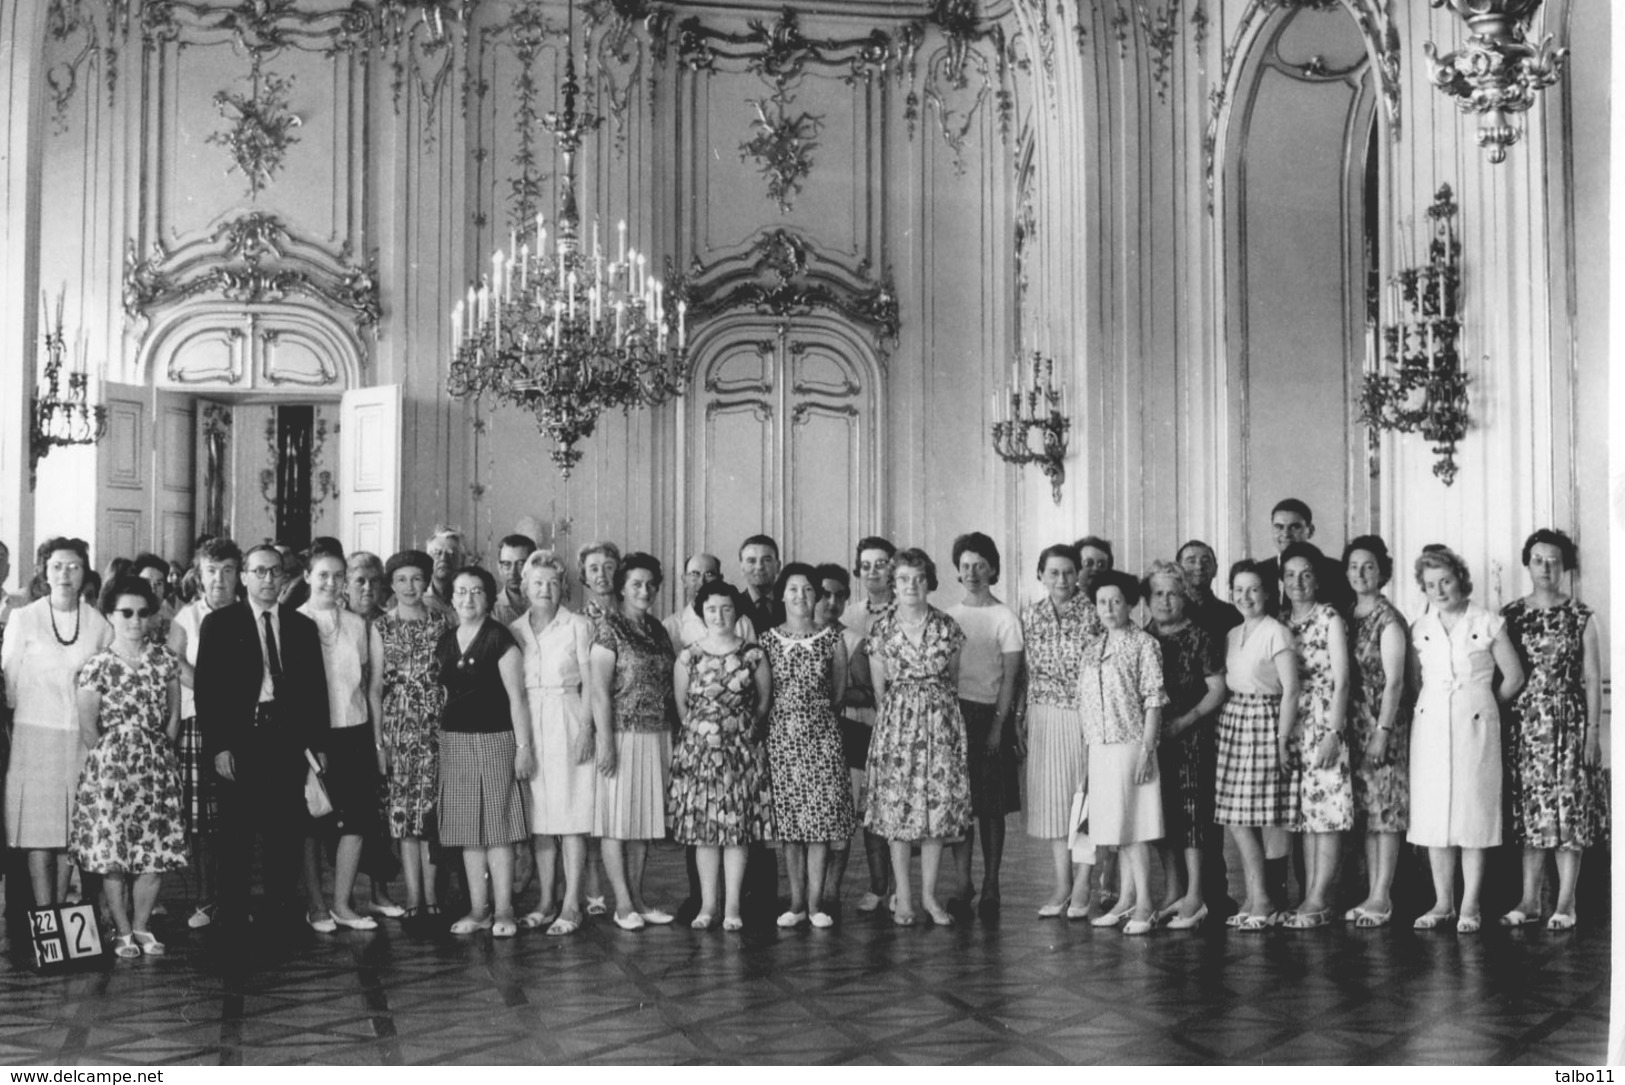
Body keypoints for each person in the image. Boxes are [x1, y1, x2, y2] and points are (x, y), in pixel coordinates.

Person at [195, 543, 330, 931]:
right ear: (244, 577)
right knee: (236, 831)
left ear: (284, 577)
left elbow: (316, 690)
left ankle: (279, 910)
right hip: (241, 739)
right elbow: (207, 692)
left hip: (287, 739)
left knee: (284, 830)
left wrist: (317, 746)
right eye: (259, 572)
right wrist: (219, 746)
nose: (268, 579)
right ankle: (234, 911)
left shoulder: (302, 626)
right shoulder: (220, 624)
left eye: (274, 572)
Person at [1408, 545, 1524, 933]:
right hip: (1431, 723)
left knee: (1473, 811)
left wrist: (1487, 704)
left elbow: (1514, 677)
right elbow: (1414, 681)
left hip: (1476, 723)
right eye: (1430, 584)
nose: (1439, 590)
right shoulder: (1421, 628)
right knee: (1434, 814)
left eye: (1445, 581)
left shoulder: (1488, 622)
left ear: (1460, 579)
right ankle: (1443, 903)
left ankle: (1470, 904)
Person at [70, 575, 187, 958]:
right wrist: (115, 756)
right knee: (115, 855)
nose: (136, 620)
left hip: (156, 766)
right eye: (126, 613)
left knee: (154, 852)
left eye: (143, 612)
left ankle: (142, 926)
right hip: (111, 770)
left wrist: (157, 751)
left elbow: (173, 716)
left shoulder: (165, 660)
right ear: (110, 614)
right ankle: (121, 931)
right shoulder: (97, 666)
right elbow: (89, 727)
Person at [1500, 529, 1605, 931]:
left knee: (1568, 812)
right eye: (1539, 559)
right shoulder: (1510, 614)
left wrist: (1592, 733)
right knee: (1531, 814)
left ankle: (1566, 902)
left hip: (1568, 723)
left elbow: (1592, 679)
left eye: (1554, 560)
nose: (1546, 567)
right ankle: (1529, 901)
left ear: (1565, 566)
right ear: (1527, 563)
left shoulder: (1581, 615)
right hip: (1526, 727)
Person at [2, 537, 113, 906]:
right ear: (44, 573)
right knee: (38, 828)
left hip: (80, 736)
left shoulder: (98, 624)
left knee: (70, 827)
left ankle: (64, 911)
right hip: (34, 734)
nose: (65, 574)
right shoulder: (24, 617)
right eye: (57, 566)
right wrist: (23, 714)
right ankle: (44, 912)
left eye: (74, 566)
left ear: (85, 573)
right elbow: (10, 676)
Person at [865, 548, 971, 926]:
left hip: (940, 728)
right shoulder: (881, 630)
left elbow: (952, 681)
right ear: (893, 584)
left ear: (930, 582)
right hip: (897, 729)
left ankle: (928, 896)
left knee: (935, 813)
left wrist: (933, 715)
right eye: (904, 579)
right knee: (898, 813)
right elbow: (881, 691)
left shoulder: (947, 627)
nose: (912, 585)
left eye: (919, 578)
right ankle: (904, 897)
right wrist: (905, 717)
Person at [435, 566, 533, 937]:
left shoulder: (499, 638)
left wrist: (523, 748)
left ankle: (504, 911)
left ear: (488, 598)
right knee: (467, 832)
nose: (468, 598)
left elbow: (517, 699)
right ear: (452, 598)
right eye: (461, 592)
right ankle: (479, 910)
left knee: (498, 830)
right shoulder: (446, 641)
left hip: (496, 740)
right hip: (455, 740)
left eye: (476, 591)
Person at [670, 580, 773, 931]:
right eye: (712, 609)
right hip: (699, 753)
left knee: (736, 831)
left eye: (726, 608)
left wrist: (735, 730)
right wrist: (706, 732)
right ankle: (708, 905)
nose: (719, 615)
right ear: (702, 613)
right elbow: (682, 706)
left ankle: (732, 907)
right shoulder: (689, 655)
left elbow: (762, 704)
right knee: (705, 832)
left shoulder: (753, 654)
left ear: (736, 612)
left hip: (741, 752)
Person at [762, 563, 855, 928]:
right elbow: (765, 694)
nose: (801, 596)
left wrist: (813, 719)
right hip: (782, 739)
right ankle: (796, 902)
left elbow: (837, 693)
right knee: (791, 827)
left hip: (822, 739)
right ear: (782, 594)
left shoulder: (833, 640)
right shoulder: (767, 640)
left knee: (819, 825)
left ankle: (816, 904)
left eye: (808, 590)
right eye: (793, 589)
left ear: (816, 596)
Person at [589, 552, 679, 930]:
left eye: (650, 584)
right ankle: (622, 903)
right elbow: (598, 690)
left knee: (643, 822)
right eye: (636, 584)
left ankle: (639, 898)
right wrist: (606, 741)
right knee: (615, 822)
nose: (644, 590)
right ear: (622, 588)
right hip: (622, 734)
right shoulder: (609, 628)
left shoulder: (657, 629)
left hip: (656, 733)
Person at [511, 550, 597, 936]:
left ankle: (571, 903)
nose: (545, 589)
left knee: (572, 817)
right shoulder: (515, 629)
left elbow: (591, 680)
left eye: (553, 582)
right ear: (525, 587)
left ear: (564, 587)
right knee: (540, 820)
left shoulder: (578, 625)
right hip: (529, 720)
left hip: (568, 714)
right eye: (538, 582)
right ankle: (546, 900)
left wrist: (586, 729)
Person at [298, 550, 384, 932]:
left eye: (337, 576)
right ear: (307, 577)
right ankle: (316, 904)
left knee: (358, 818)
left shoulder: (356, 624)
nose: (330, 583)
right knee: (313, 822)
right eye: (323, 575)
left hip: (355, 730)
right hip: (314, 735)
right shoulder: (294, 621)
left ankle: (342, 903)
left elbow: (364, 681)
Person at [1078, 570, 1166, 937]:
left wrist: (1147, 749)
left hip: (1131, 745)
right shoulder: (1092, 648)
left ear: (1130, 603)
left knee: (1135, 828)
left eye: (1116, 601)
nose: (1109, 608)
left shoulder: (1144, 644)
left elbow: (1153, 699)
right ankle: (1126, 899)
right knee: (1117, 828)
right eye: (1102, 602)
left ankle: (1146, 902)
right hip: (1100, 746)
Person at [1213, 560, 1299, 931]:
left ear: (1266, 593)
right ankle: (1254, 894)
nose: (1245, 596)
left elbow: (1292, 689)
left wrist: (1282, 740)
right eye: (1239, 589)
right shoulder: (1234, 633)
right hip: (1235, 720)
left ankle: (1264, 898)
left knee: (1262, 816)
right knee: (1235, 816)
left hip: (1265, 720)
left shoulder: (1276, 632)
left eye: (1253, 589)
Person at [1143, 560, 1226, 930]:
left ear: (1184, 597)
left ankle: (1195, 894)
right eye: (1158, 594)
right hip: (1154, 737)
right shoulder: (1143, 637)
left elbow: (1217, 690)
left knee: (1192, 813)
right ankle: (1173, 887)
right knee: (1162, 813)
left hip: (1192, 734)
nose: (1165, 601)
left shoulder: (1200, 635)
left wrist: (1186, 721)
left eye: (1172, 594)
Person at [944, 532, 1023, 919]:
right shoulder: (948, 616)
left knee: (991, 809)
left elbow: (1010, 679)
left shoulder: (1005, 617)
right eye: (965, 566)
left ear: (993, 569)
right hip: (954, 718)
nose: (972, 573)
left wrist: (998, 726)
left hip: (991, 715)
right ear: (957, 572)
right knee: (960, 807)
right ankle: (963, 881)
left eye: (980, 565)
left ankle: (991, 883)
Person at [167, 537, 242, 930]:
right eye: (212, 571)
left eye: (228, 571)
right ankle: (205, 897)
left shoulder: (249, 615)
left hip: (245, 726)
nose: (220, 579)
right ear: (200, 574)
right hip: (200, 724)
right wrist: (215, 691)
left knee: (238, 815)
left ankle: (235, 895)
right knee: (200, 820)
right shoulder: (186, 619)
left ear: (238, 575)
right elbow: (175, 666)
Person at [1278, 542, 1352, 928]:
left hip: (1323, 722)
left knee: (1328, 813)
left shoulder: (1329, 618)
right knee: (1307, 818)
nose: (1297, 582)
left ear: (1318, 578)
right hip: (1293, 724)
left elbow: (1342, 681)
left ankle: (1321, 897)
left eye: (1305, 574)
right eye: (1289, 575)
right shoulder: (1280, 621)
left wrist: (1333, 733)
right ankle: (1311, 896)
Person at [1020, 544, 1096, 918]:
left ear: (1078, 574)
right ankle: (1062, 882)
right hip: (1042, 713)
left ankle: (1083, 881)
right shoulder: (1031, 616)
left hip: (1084, 714)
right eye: (1054, 573)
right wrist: (1022, 715)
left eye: (1068, 572)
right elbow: (1025, 671)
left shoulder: (1095, 614)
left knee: (1083, 800)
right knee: (1052, 803)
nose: (1062, 580)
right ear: (1041, 575)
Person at [373, 550, 449, 922]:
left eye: (417, 579)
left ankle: (433, 895)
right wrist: (379, 743)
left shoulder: (441, 623)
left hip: (434, 728)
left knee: (431, 817)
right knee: (403, 817)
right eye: (401, 579)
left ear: (427, 581)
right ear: (391, 584)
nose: (409, 586)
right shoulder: (381, 627)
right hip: (398, 728)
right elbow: (374, 688)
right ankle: (414, 897)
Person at [1342, 535, 1409, 927]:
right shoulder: (1347, 615)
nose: (1360, 573)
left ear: (1382, 572)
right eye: (1353, 566)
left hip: (1382, 722)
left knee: (1387, 810)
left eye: (1368, 566)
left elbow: (1396, 681)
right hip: (1353, 722)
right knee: (1368, 812)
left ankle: (1383, 896)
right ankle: (1371, 892)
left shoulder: (1388, 619)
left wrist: (1382, 731)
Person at [843, 538, 896, 912]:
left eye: (881, 563)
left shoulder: (908, 609)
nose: (873, 571)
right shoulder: (849, 614)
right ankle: (878, 886)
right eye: (867, 565)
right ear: (858, 570)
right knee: (869, 808)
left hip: (899, 721)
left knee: (897, 807)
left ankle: (901, 888)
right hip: (861, 722)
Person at [1255, 499, 1353, 613]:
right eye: (1279, 527)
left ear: (1310, 531)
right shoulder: (1259, 572)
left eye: (1294, 527)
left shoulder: (1337, 571)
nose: (1286, 534)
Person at [663, 553, 757, 648]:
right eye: (694, 574)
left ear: (720, 579)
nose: (702, 582)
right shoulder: (671, 626)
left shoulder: (742, 623)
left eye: (709, 574)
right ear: (684, 580)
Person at [1177, 540, 1242, 647]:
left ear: (1215, 569)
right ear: (1179, 569)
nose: (1199, 567)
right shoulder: (1171, 613)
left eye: (1206, 561)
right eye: (1191, 561)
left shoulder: (1232, 615)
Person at [846, 536, 897, 642]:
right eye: (865, 566)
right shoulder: (848, 615)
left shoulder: (907, 611)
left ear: (893, 570)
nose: (872, 571)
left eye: (880, 565)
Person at [737, 535, 784, 634]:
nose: (759, 567)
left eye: (766, 560)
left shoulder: (790, 605)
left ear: (778, 566)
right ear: (742, 568)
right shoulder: (733, 606)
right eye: (751, 561)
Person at [493, 534, 537, 625]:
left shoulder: (545, 605)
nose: (513, 572)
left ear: (534, 565)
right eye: (507, 564)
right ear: (499, 567)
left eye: (521, 564)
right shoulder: (491, 610)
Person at [425, 526, 467, 616]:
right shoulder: (418, 599)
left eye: (450, 554)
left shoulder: (470, 598)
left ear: (462, 560)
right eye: (437, 553)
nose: (443, 558)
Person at [345, 552, 389, 623]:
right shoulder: (334, 622)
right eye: (360, 581)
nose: (368, 587)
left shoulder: (391, 624)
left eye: (374, 580)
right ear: (346, 587)